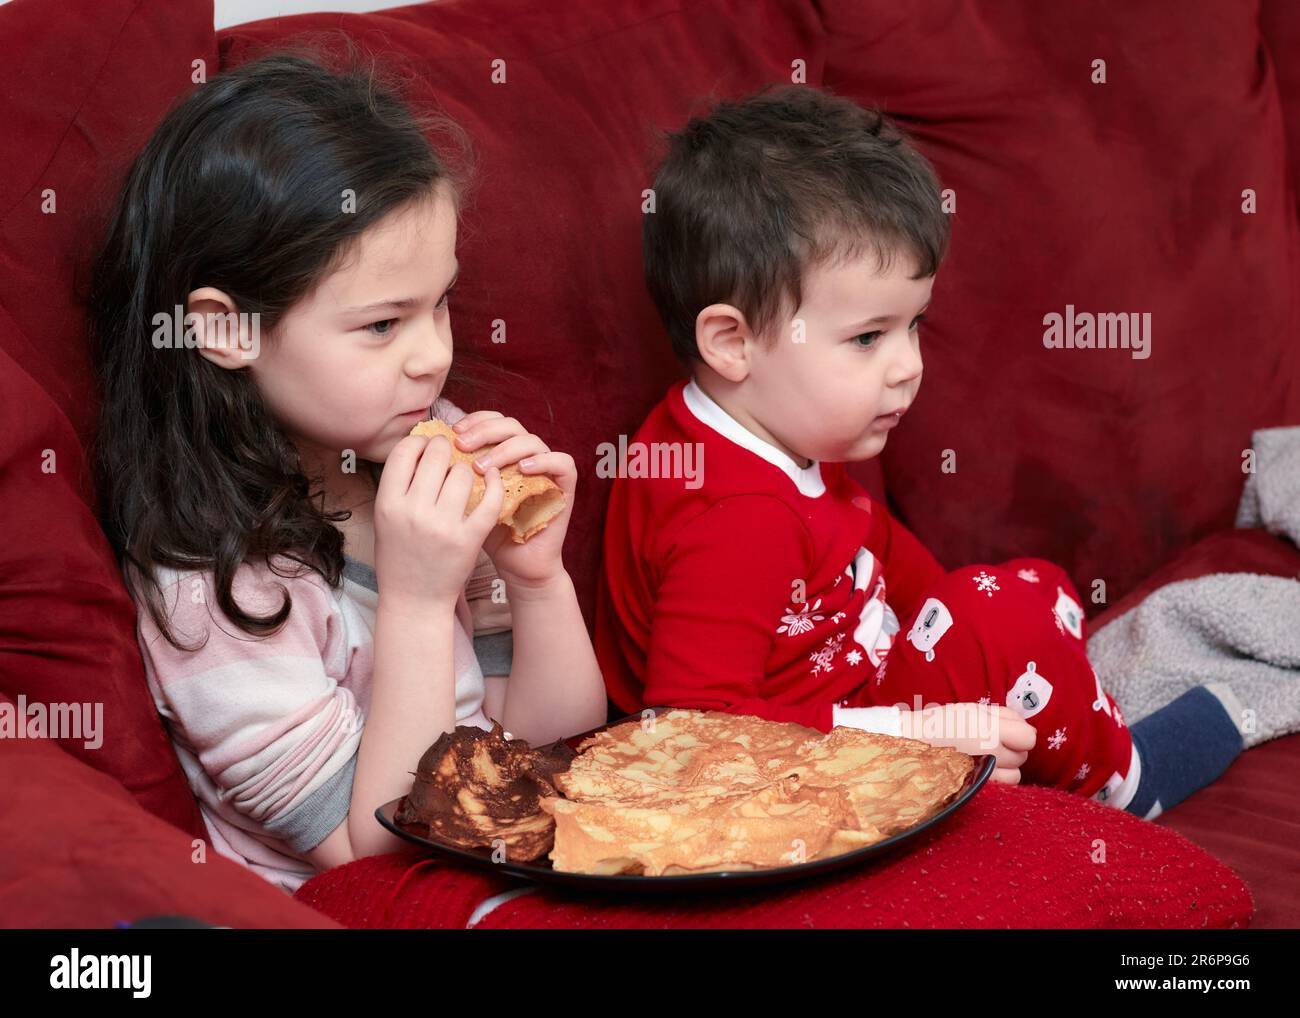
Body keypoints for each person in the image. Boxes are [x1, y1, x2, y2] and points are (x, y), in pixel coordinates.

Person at [594, 85, 1247, 818]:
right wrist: (918, 729)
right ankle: (1127, 780)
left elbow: (874, 542)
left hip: (859, 674)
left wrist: (953, 623)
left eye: (915, 326)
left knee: (1022, 588)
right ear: (733, 342)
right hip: (808, 752)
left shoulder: (766, 419)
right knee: (994, 619)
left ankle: (1050, 699)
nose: (908, 365)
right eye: (870, 337)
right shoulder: (732, 517)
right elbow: (698, 736)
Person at [89, 50, 607, 894]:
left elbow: (556, 748)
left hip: (500, 852)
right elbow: (382, 851)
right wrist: (415, 598)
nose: (433, 357)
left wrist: (537, 582)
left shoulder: (420, 449)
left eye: (440, 304)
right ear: (227, 332)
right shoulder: (212, 584)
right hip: (370, 892)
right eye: (381, 325)